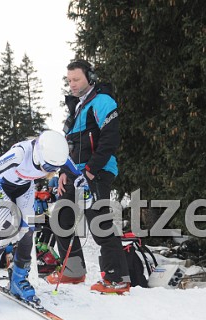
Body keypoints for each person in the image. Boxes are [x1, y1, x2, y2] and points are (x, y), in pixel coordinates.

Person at [0, 130, 88, 307]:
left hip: (24, 188)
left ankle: (18, 280)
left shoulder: (58, 155)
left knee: (27, 232)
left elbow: (78, 177)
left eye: (54, 169)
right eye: (47, 167)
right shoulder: (20, 153)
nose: (49, 171)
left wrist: (84, 189)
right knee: (8, 230)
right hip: (2, 188)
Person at [47, 59, 130, 295]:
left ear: (90, 77)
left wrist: (91, 170)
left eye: (76, 79)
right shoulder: (76, 107)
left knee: (99, 222)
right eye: (69, 80)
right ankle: (73, 270)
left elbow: (110, 139)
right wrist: (63, 172)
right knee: (61, 218)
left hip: (97, 171)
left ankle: (117, 278)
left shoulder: (102, 101)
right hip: (76, 173)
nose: (72, 84)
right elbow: (70, 146)